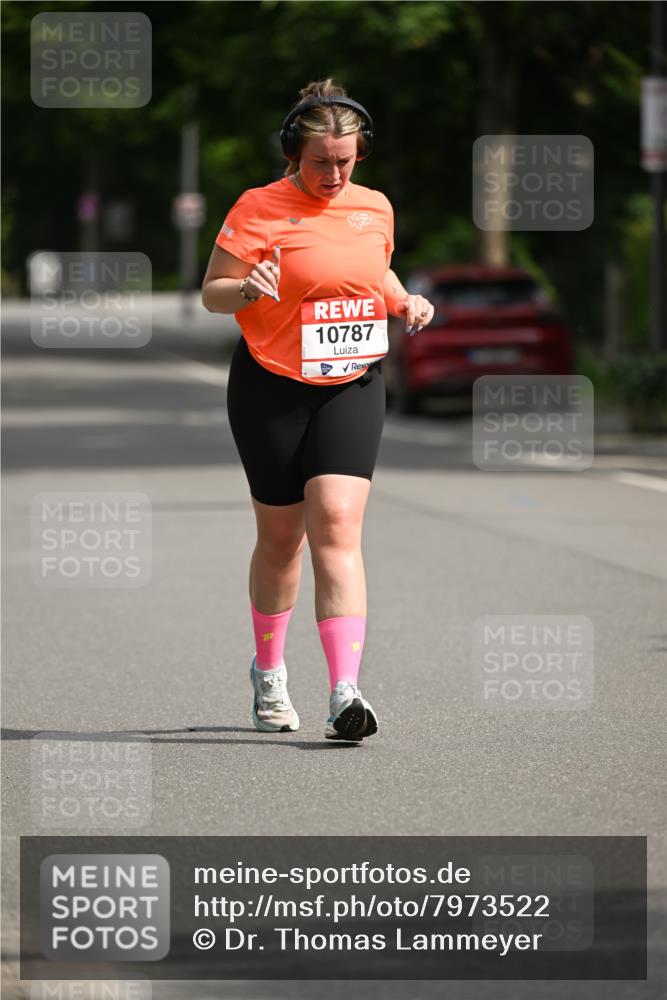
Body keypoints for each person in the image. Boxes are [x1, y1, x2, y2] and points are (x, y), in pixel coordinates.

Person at [202, 78, 434, 742]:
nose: (333, 174)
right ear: (291, 156)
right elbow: (211, 294)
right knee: (281, 539)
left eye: (345, 160)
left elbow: (376, 272)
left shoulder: (375, 208)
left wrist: (402, 302)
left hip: (351, 382)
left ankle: (343, 692)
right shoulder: (257, 207)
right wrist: (245, 287)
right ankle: (269, 673)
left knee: (336, 522)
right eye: (319, 163)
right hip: (270, 385)